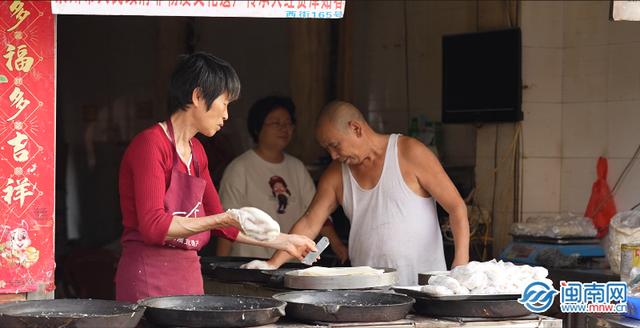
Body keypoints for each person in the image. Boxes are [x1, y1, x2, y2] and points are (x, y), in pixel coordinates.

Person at [114, 53, 316, 302]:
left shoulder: (197, 151)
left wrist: (285, 242)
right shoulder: (150, 145)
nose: (227, 115)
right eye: (225, 103)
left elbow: (224, 225)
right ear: (198, 96)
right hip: (148, 276)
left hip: (188, 276)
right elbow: (155, 227)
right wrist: (222, 219)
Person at [253, 100, 470, 285]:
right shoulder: (336, 174)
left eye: (335, 145)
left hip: (424, 286)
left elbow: (456, 206)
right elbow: (310, 222)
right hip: (367, 292)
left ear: (356, 128)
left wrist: (460, 263)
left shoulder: (409, 153)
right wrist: (272, 264)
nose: (333, 155)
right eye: (327, 149)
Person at [217, 96, 349, 263]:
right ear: (257, 127)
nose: (284, 129)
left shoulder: (297, 168)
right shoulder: (239, 169)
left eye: (288, 123)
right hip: (250, 265)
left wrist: (337, 245)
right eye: (276, 123)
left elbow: (316, 214)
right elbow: (226, 223)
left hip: (292, 265)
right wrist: (220, 263)